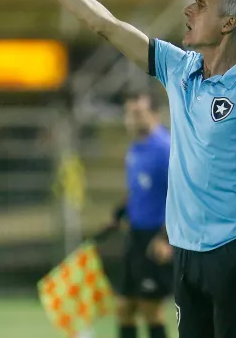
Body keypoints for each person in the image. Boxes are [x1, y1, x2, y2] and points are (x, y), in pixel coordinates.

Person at [0, 0, 236, 338]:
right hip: (186, 252)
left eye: (201, 5)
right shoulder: (178, 67)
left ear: (229, 24)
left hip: (233, 250)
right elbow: (106, 24)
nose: (188, 10)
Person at [102, 90, 173, 338]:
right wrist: (122, 211)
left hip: (157, 237)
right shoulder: (135, 147)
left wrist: (166, 237)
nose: (131, 120)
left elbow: (181, 196)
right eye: (128, 114)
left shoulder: (166, 149)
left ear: (154, 114)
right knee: (124, 308)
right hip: (136, 236)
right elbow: (140, 189)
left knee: (151, 309)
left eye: (138, 113)